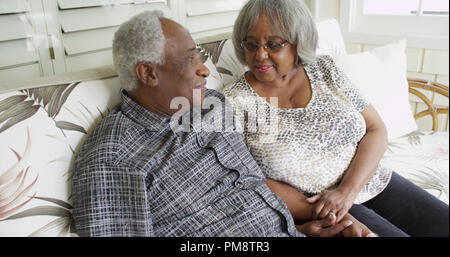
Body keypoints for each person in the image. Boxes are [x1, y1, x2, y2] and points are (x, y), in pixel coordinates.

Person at [71, 10, 367, 237]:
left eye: (198, 56)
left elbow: (252, 189)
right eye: (189, 60)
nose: (204, 70)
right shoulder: (112, 160)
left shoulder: (213, 106)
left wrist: (305, 229)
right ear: (148, 74)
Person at [222, 0, 449, 237]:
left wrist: (347, 191)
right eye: (250, 44)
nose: (260, 54)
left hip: (372, 181)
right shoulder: (233, 101)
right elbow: (246, 177)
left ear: (297, 42)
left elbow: (375, 129)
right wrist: (327, 209)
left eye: (273, 45)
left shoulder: (324, 69)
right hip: (316, 207)